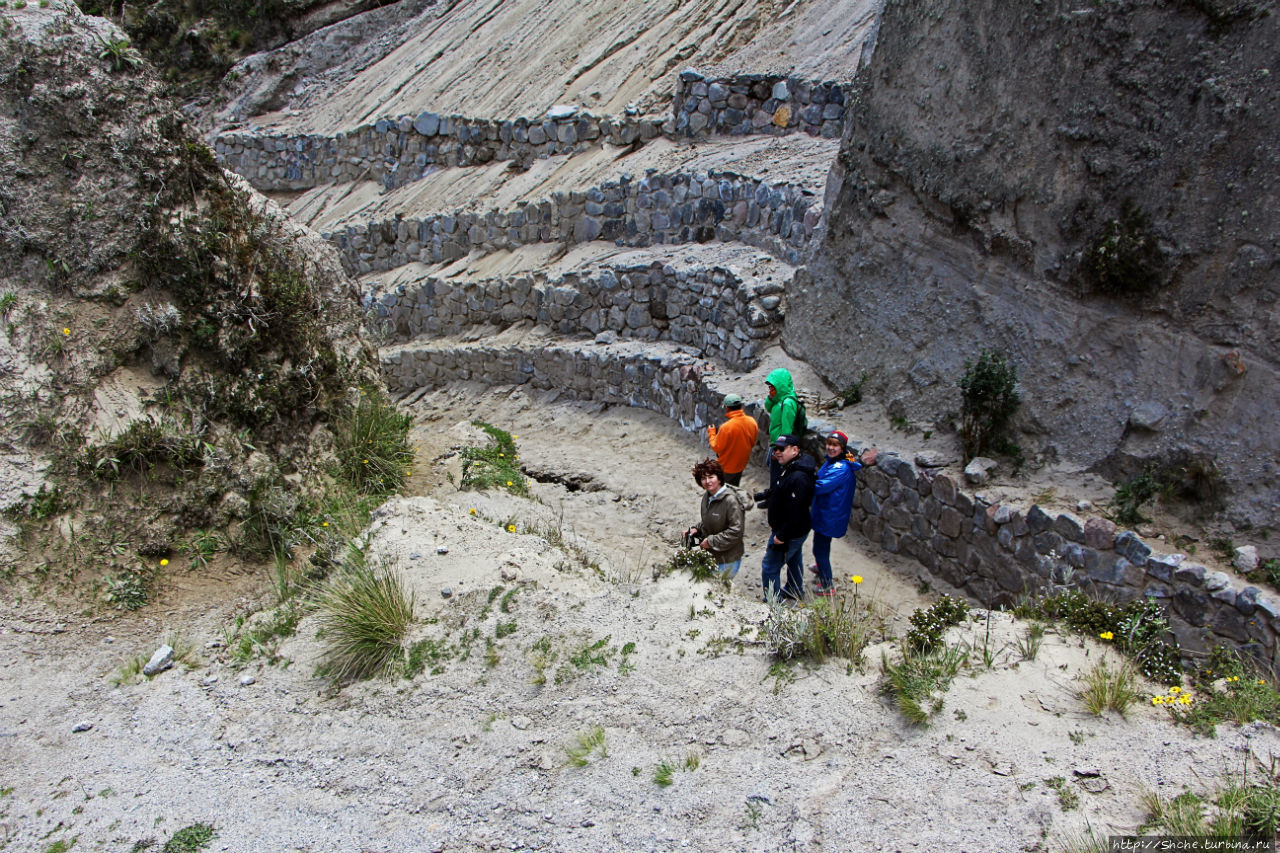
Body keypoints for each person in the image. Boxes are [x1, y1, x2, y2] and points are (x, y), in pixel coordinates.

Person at [757, 434, 815, 601]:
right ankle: (794, 589)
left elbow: (795, 510)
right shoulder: (793, 467)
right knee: (794, 558)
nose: (777, 452)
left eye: (782, 449)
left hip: (789, 532)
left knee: (770, 566)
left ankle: (773, 603)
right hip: (797, 530)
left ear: (795, 450)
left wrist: (781, 535)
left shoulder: (799, 477)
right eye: (775, 449)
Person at [809, 430, 862, 597]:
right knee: (821, 546)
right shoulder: (836, 461)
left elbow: (820, 486)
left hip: (829, 515)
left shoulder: (840, 468)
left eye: (835, 445)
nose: (831, 448)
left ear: (842, 448)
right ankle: (821, 568)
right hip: (828, 512)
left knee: (820, 549)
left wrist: (803, 483)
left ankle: (827, 584)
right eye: (829, 444)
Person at [683, 459, 749, 578]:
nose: (707, 481)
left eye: (711, 477)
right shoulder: (707, 497)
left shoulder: (731, 501)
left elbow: (736, 531)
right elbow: (709, 520)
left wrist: (711, 541)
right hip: (711, 557)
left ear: (719, 478)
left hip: (727, 561)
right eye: (703, 478)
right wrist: (696, 530)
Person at [706, 393, 758, 486]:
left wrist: (712, 432)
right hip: (741, 465)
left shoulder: (726, 427)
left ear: (726, 408)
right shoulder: (752, 422)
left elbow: (716, 447)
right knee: (734, 488)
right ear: (741, 406)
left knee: (721, 493)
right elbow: (752, 443)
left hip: (727, 467)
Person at [763, 369, 800, 494]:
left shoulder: (788, 403)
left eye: (773, 387)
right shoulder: (778, 399)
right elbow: (768, 407)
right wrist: (771, 397)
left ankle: (774, 498)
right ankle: (772, 495)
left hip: (780, 446)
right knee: (772, 467)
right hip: (775, 443)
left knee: (777, 473)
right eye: (770, 388)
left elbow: (787, 430)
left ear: (780, 386)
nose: (770, 390)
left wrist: (780, 449)